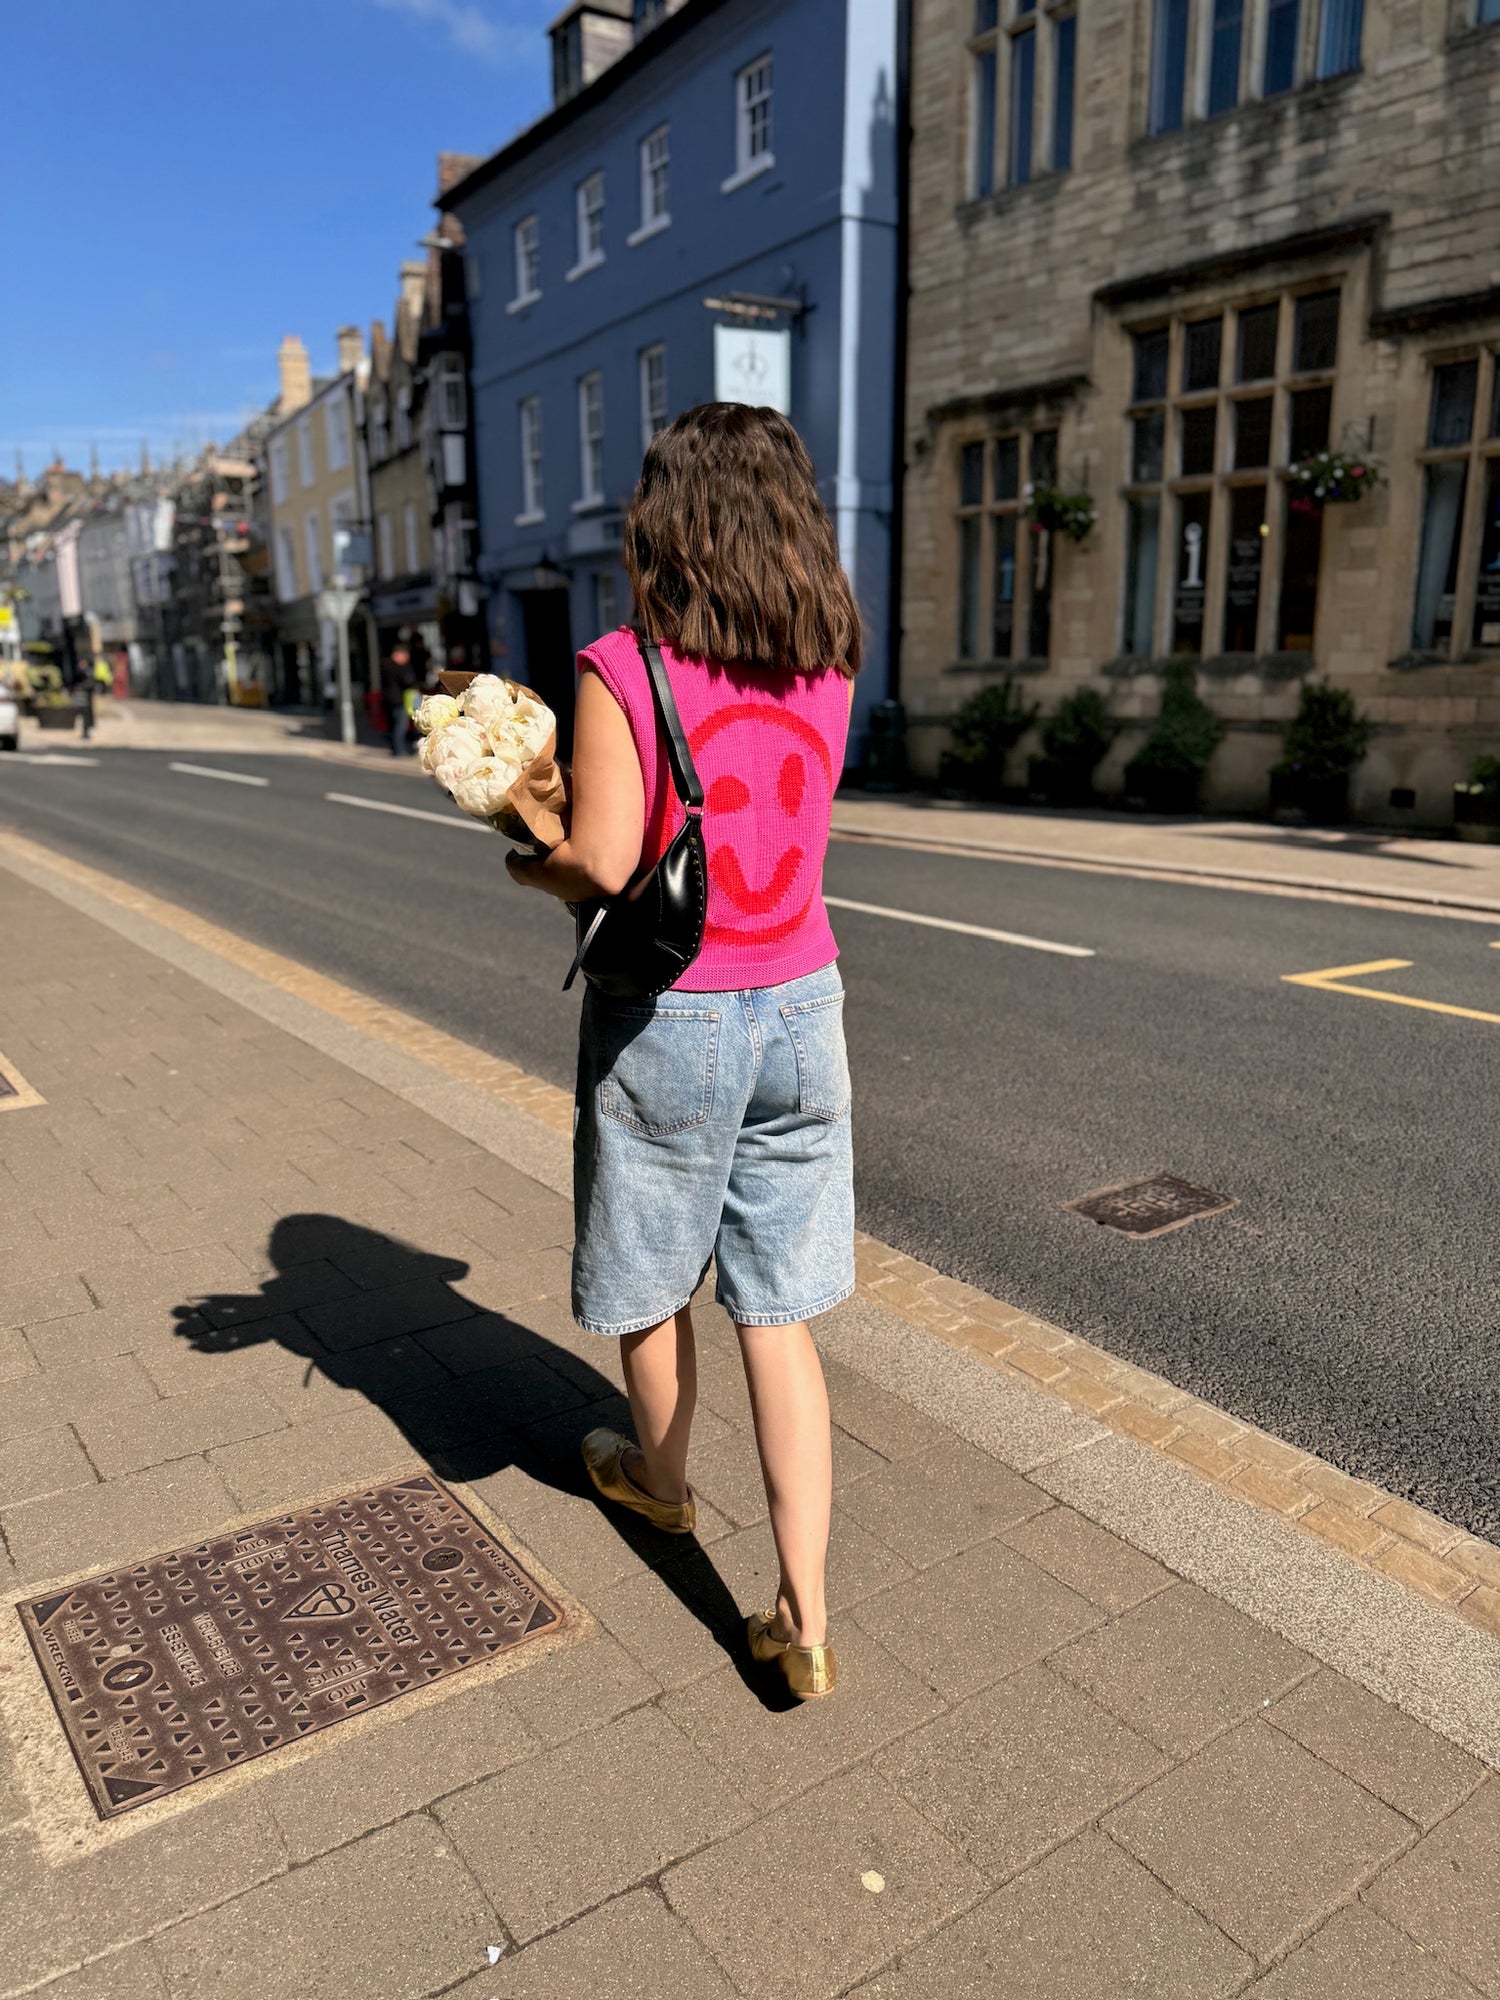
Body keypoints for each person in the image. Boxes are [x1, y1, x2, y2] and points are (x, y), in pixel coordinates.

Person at [506, 404, 858, 1701]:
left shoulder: (622, 667)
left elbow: (603, 863)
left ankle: (660, 1488)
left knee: (656, 1275)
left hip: (676, 1016)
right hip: (804, 1004)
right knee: (780, 1309)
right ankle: (802, 1617)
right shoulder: (831, 658)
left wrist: (519, 854)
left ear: (670, 521)